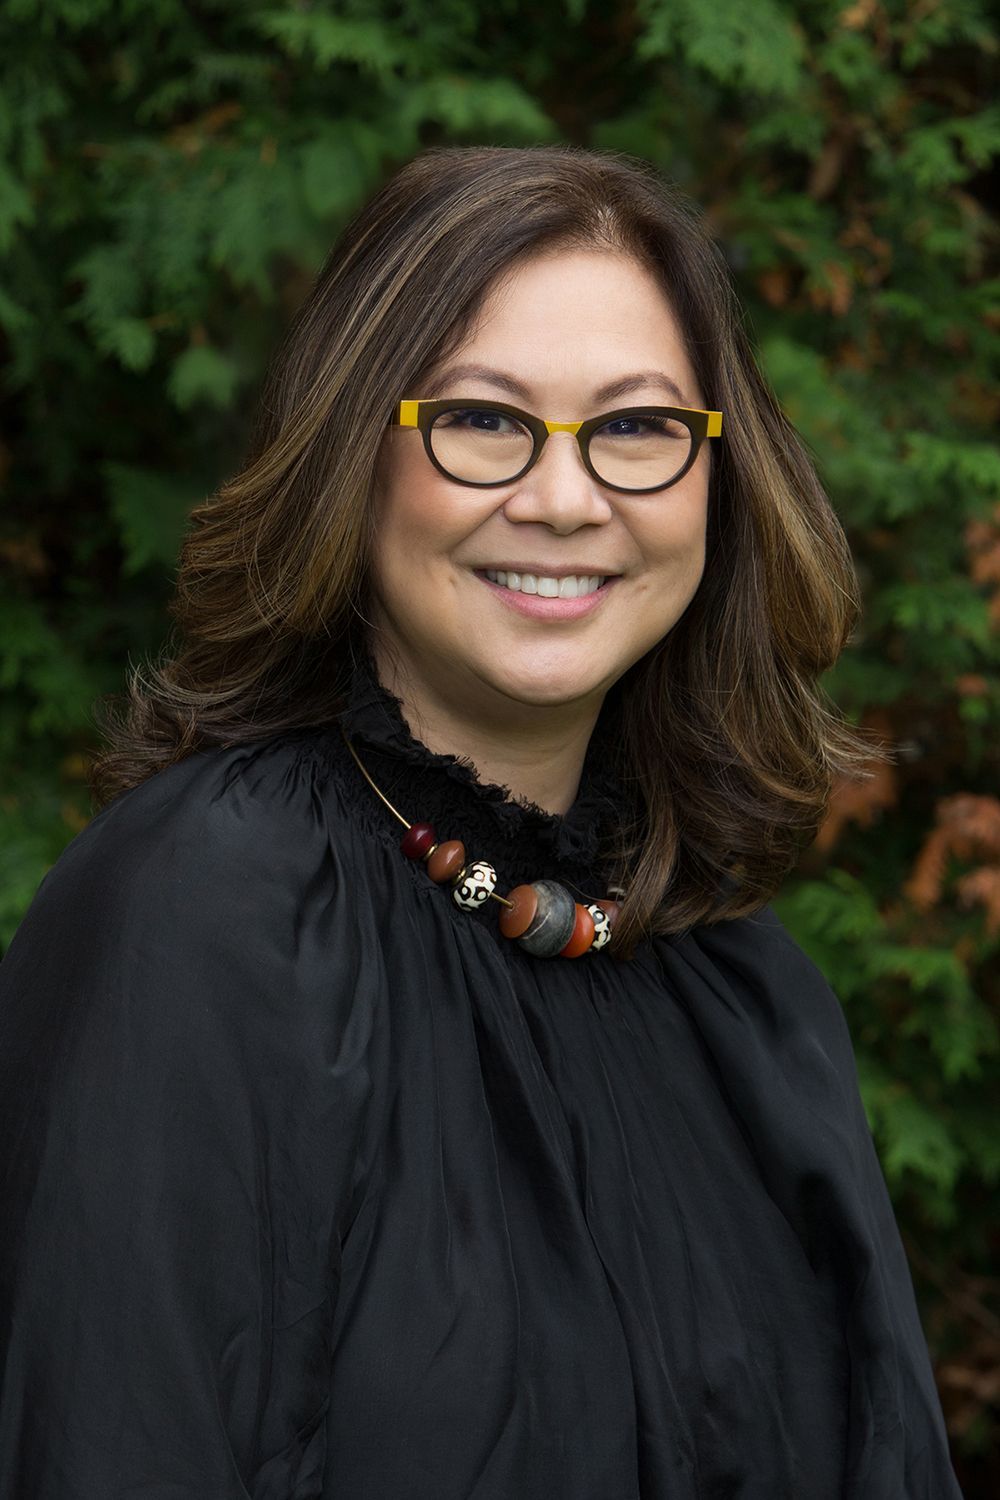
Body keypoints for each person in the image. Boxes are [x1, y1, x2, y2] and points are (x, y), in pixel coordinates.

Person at [0, 145, 961, 1499]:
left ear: (716, 482)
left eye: (636, 427)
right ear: (357, 454)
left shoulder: (756, 1000)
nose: (565, 501)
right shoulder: (209, 913)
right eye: (482, 420)